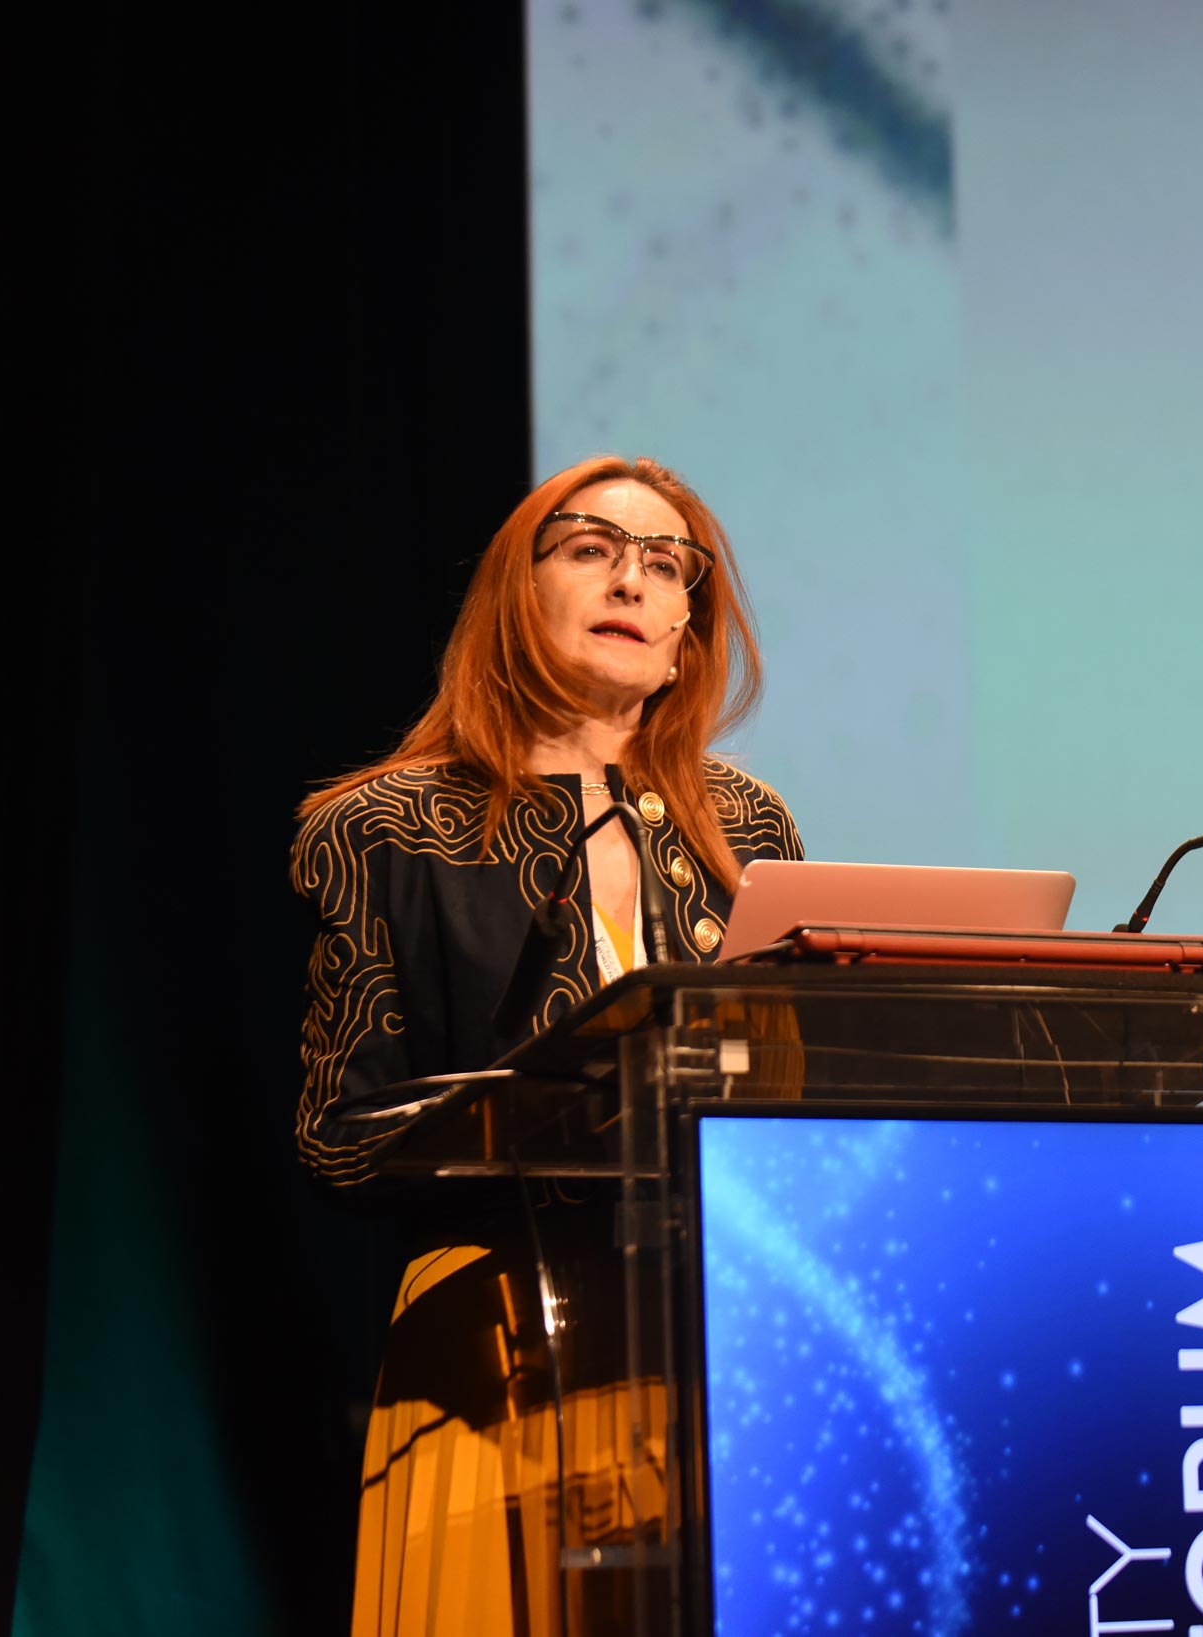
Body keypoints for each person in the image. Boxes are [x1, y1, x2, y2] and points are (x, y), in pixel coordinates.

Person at [291, 454, 802, 1635]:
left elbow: (783, 1082)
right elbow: (337, 1136)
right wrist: (533, 1110)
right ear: (517, 595)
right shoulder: (381, 827)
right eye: (589, 549)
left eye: (664, 564)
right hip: (490, 1342)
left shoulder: (749, 826)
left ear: (685, 634)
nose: (630, 579)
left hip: (715, 1338)